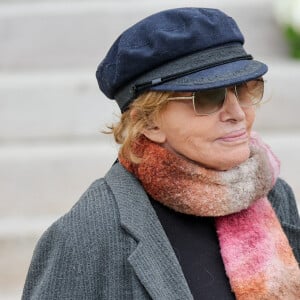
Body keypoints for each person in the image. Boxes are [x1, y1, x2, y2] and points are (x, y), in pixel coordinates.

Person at [22, 7, 300, 300]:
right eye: (207, 98)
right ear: (150, 121)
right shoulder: (87, 235)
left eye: (244, 90)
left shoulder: (271, 194)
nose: (237, 113)